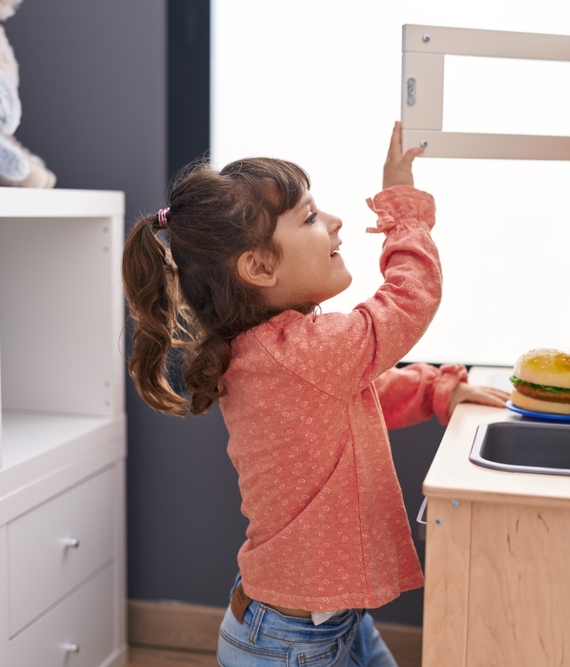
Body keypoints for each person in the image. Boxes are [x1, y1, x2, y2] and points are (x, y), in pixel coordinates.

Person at [122, 121, 509, 666]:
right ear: (258, 266)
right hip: (293, 640)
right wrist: (402, 207)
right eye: (308, 216)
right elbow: (407, 302)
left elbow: (352, 402)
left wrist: (437, 393)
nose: (334, 221)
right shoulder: (296, 351)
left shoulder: (277, 351)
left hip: (313, 620)